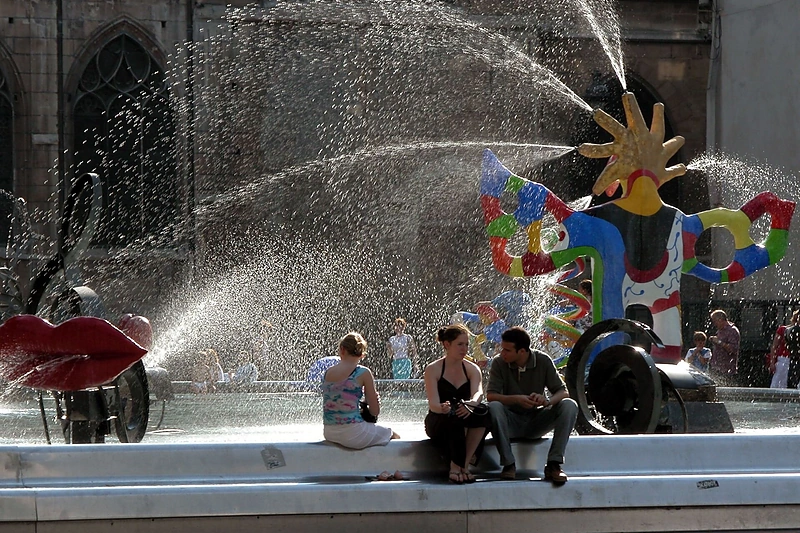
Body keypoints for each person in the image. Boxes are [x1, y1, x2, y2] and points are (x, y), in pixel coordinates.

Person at [486, 326, 578, 484]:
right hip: (511, 421)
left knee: (569, 405)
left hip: (536, 421)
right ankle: (508, 464)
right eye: (502, 349)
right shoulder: (499, 363)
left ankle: (554, 464)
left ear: (522, 351)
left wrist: (547, 401)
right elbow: (491, 396)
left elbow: (563, 392)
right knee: (493, 407)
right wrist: (516, 399)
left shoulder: (543, 360)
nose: (502, 353)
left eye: (507, 350)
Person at [423, 324, 491, 484]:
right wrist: (442, 408)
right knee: (454, 415)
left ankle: (464, 465)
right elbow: (433, 404)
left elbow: (478, 392)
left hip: (464, 412)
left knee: (485, 412)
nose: (464, 349)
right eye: (460, 344)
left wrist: (472, 403)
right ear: (447, 344)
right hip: (439, 418)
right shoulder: (433, 369)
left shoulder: (472, 368)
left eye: (466, 344)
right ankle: (454, 467)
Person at [322, 332, 399, 449]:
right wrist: (370, 401)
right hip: (354, 433)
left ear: (342, 349)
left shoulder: (328, 372)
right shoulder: (363, 373)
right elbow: (375, 412)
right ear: (361, 354)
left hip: (329, 432)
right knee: (391, 434)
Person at [709, 310, 740, 385]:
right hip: (716, 367)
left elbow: (733, 349)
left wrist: (719, 342)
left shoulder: (732, 331)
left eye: (715, 321)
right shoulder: (720, 330)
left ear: (720, 320)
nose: (714, 324)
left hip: (727, 369)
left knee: (726, 387)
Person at [768, 310, 798, 389]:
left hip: (790, 359)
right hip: (784, 359)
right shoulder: (783, 330)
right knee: (779, 384)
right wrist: (772, 362)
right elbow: (774, 346)